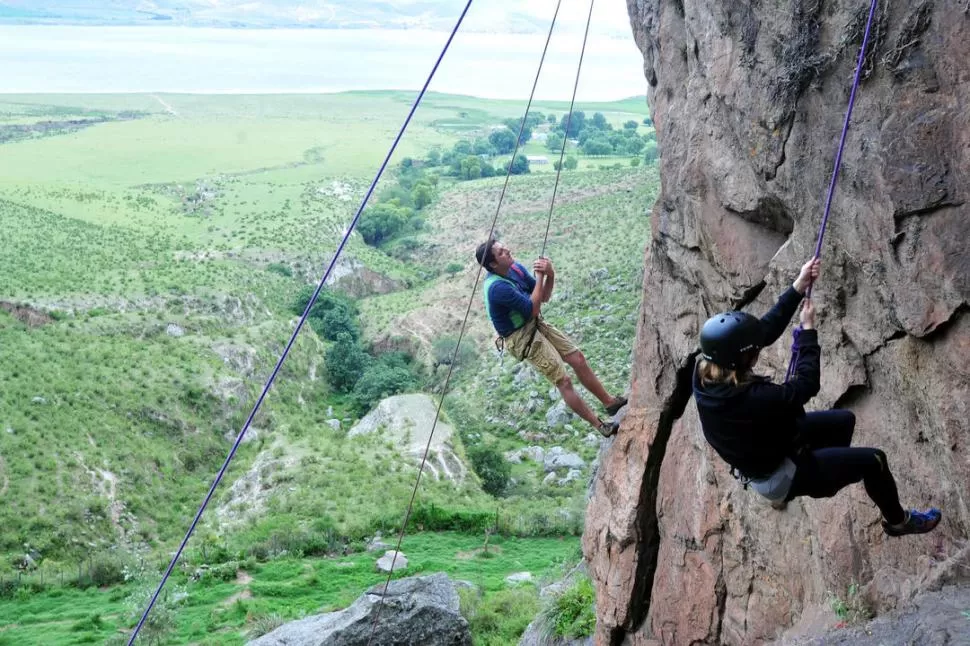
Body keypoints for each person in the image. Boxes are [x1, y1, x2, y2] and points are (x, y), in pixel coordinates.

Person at [693, 257, 941, 537]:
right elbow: (807, 385)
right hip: (778, 475)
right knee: (875, 460)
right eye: (753, 352)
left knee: (844, 421)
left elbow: (762, 332)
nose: (758, 352)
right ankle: (898, 521)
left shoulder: (705, 371)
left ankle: (825, 472)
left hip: (768, 448)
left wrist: (798, 286)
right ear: (739, 360)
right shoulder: (753, 399)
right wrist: (808, 332)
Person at [475, 238, 626, 438]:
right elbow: (532, 307)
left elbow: (542, 297)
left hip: (534, 322)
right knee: (563, 381)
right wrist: (540, 276)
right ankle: (600, 426)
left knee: (577, 359)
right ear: (493, 264)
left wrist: (550, 274)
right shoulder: (497, 288)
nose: (508, 251)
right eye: (502, 252)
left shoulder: (515, 269)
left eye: (504, 248)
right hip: (520, 337)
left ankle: (609, 402)